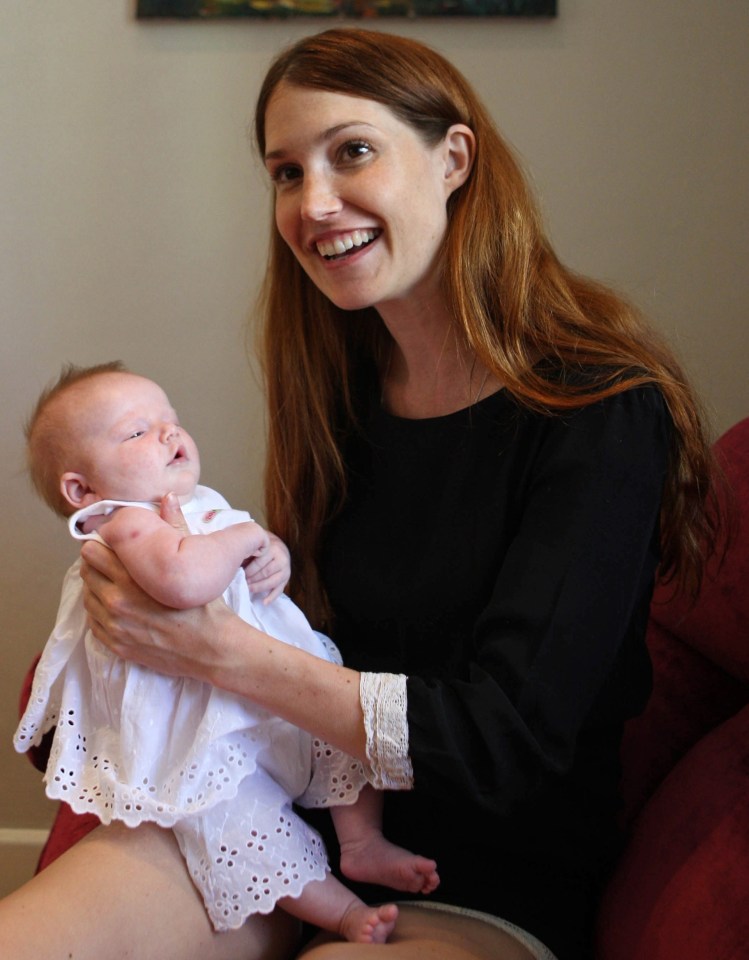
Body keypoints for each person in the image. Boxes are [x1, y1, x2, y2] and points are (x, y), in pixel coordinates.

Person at [1, 27, 720, 960]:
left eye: (352, 152)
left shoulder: (601, 410)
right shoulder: (339, 396)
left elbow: (505, 736)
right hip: (269, 827)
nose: (314, 202)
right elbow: (296, 628)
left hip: (481, 875)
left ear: (452, 158)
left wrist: (220, 653)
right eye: (285, 173)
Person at [13, 361, 438, 945]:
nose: (169, 434)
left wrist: (272, 557)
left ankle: (362, 844)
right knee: (244, 827)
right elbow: (185, 581)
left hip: (269, 696)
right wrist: (249, 538)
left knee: (345, 741)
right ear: (82, 490)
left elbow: (241, 574)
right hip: (203, 736)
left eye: (171, 421)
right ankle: (342, 913)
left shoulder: (194, 504)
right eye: (137, 432)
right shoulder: (122, 524)